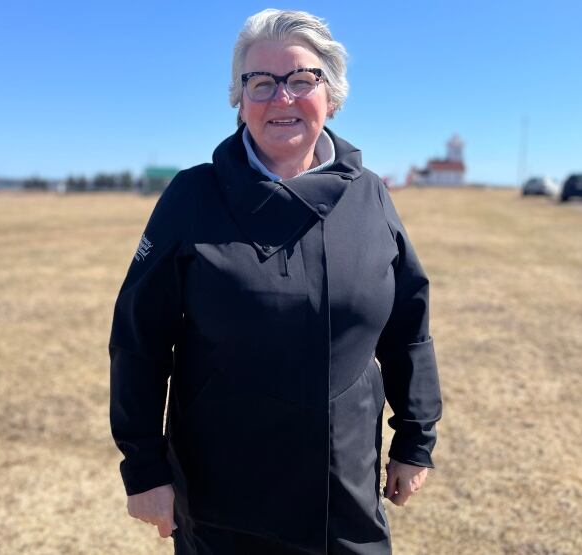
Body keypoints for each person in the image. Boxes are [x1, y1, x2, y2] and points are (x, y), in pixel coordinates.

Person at [109, 9, 442, 555]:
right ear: (238, 100)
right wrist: (144, 468)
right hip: (224, 494)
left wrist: (415, 438)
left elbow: (408, 326)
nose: (281, 98)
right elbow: (139, 341)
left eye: (302, 79)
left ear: (331, 96)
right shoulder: (193, 197)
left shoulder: (370, 195)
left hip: (344, 491)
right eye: (260, 82)